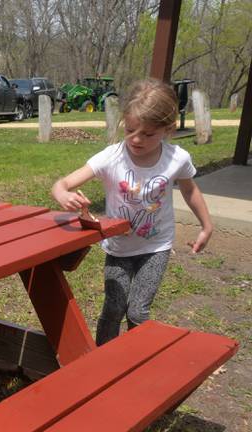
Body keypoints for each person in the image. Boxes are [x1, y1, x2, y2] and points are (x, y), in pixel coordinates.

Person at [51, 78, 214, 345]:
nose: (136, 139)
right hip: (118, 247)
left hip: (156, 246)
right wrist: (62, 193)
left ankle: (134, 358)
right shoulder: (112, 157)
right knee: (113, 308)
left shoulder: (177, 159)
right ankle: (103, 360)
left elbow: (190, 190)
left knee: (138, 311)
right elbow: (62, 183)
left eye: (148, 134)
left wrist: (206, 226)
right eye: (130, 130)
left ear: (168, 129)